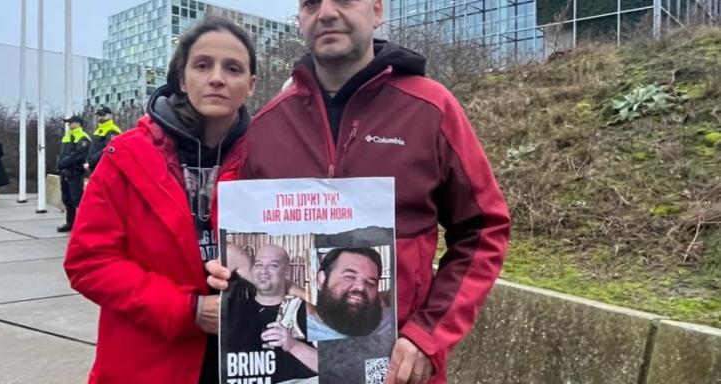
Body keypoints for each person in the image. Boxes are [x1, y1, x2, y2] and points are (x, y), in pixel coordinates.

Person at [206, 1, 512, 383]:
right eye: (311, 4)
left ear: (378, 10)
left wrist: (429, 336)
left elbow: (483, 230)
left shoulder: (431, 109)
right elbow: (236, 236)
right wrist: (224, 272)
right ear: (301, 18)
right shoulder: (267, 126)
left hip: (399, 371)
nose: (327, 13)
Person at [63, 16, 257, 383]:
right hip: (150, 359)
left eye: (233, 68)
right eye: (203, 65)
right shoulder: (126, 155)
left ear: (250, 85)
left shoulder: (271, 158)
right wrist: (188, 309)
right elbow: (89, 262)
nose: (217, 77)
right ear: (182, 79)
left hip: (248, 358)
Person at [223, 244, 317, 383]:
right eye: (258, 265)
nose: (264, 271)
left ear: (286, 272)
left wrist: (293, 345)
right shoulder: (233, 309)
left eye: (273, 265)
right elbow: (230, 252)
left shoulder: (304, 310)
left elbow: (333, 366)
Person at [307, 247, 393, 341]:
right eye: (349, 277)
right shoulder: (305, 331)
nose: (360, 287)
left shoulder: (391, 323)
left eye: (370, 283)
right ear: (322, 280)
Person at [56, 115, 90, 232]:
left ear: (78, 123)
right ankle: (70, 222)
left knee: (77, 198)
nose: (69, 125)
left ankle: (82, 223)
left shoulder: (83, 137)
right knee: (67, 198)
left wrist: (64, 163)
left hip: (75, 172)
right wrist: (60, 165)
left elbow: (78, 155)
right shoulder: (67, 136)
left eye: (71, 123)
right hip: (65, 171)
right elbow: (63, 153)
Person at [85, 105, 121, 174]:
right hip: (94, 167)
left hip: (105, 168)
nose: (100, 117)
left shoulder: (113, 130)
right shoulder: (97, 130)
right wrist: (87, 161)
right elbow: (91, 149)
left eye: (103, 115)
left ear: (110, 116)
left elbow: (107, 149)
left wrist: (90, 162)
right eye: (99, 115)